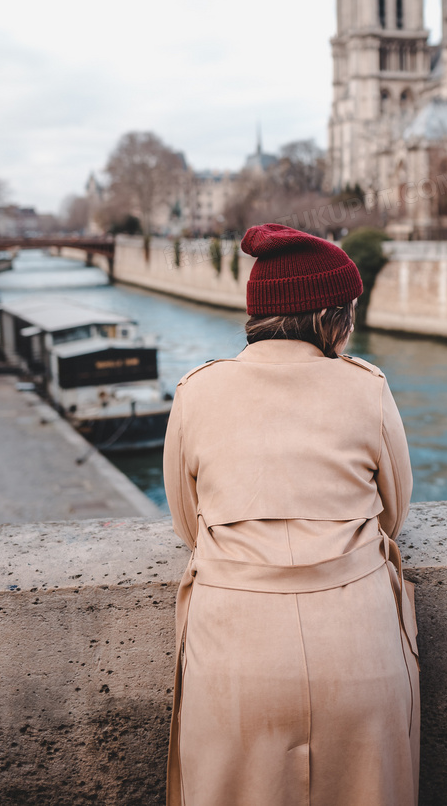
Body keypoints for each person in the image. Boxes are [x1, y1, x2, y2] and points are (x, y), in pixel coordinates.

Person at [163, 222, 419, 806]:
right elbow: (392, 517)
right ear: (332, 318)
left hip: (233, 651)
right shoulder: (367, 387)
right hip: (358, 645)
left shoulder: (195, 390)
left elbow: (188, 525)